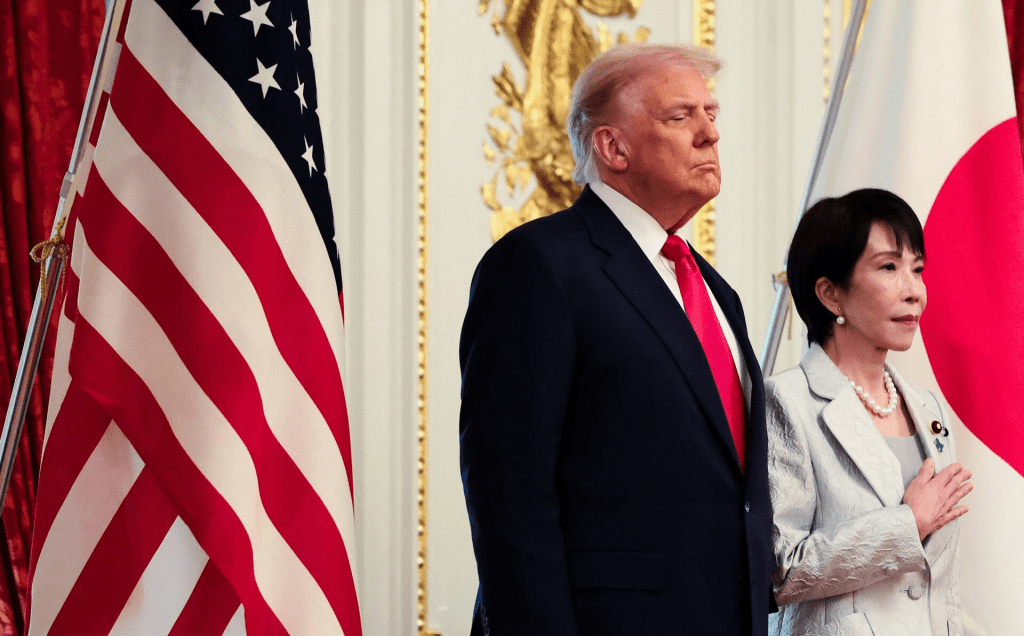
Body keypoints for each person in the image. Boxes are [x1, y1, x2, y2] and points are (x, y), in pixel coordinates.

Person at [459, 43, 773, 636]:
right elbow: (511, 495)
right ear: (613, 147)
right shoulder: (537, 266)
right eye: (681, 116)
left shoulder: (715, 292)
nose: (709, 134)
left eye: (711, 114)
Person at [767, 188, 972, 635]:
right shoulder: (786, 401)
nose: (914, 291)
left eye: (917, 269)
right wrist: (907, 525)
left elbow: (941, 583)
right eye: (889, 267)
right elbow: (780, 569)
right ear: (830, 295)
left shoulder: (927, 407)